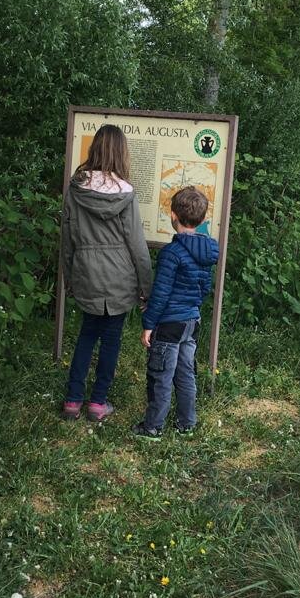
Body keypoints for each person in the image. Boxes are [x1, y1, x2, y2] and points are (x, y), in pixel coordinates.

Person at [61, 125, 152, 422]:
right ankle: (98, 402)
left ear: (94, 148)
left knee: (86, 335)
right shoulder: (126, 193)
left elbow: (67, 238)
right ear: (121, 153)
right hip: (119, 276)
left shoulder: (75, 189)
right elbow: (137, 244)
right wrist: (145, 286)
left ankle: (73, 401)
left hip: (86, 271)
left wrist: (69, 278)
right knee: (111, 339)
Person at [133, 186, 219, 439]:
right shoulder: (208, 252)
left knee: (161, 374)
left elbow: (160, 293)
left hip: (169, 324)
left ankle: (152, 426)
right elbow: (204, 287)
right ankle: (186, 423)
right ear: (203, 220)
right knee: (185, 373)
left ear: (172, 215)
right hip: (192, 321)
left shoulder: (172, 253)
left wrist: (148, 323)